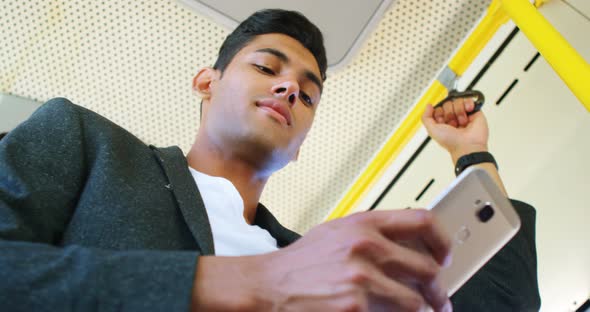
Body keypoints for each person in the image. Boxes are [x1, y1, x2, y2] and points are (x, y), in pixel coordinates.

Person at [0, 9, 540, 312]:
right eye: (266, 67)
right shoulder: (83, 141)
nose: (289, 88)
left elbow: (505, 308)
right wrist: (252, 282)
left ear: (300, 145)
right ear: (206, 82)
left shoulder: (319, 268)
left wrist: (471, 151)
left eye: (307, 96)